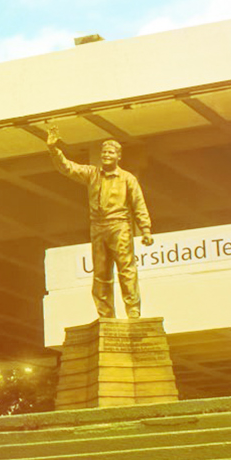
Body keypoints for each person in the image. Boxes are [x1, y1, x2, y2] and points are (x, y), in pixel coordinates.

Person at [43, 123, 153, 319]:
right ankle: (106, 316)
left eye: (110, 152)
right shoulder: (92, 174)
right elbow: (67, 167)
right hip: (98, 228)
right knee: (101, 275)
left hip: (120, 227)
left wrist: (145, 229)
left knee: (126, 271)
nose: (106, 155)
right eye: (104, 152)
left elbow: (138, 205)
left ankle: (133, 311)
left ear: (118, 156)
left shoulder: (127, 179)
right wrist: (54, 149)